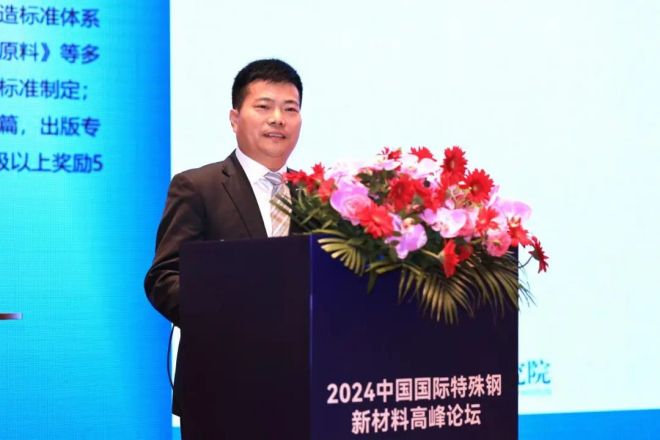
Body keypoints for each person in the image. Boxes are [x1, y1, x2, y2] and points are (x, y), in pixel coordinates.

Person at [143, 58, 303, 421]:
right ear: (234, 119)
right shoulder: (198, 187)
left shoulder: (320, 196)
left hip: (302, 388)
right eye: (263, 106)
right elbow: (163, 278)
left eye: (290, 109)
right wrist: (228, 317)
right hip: (222, 388)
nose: (278, 119)